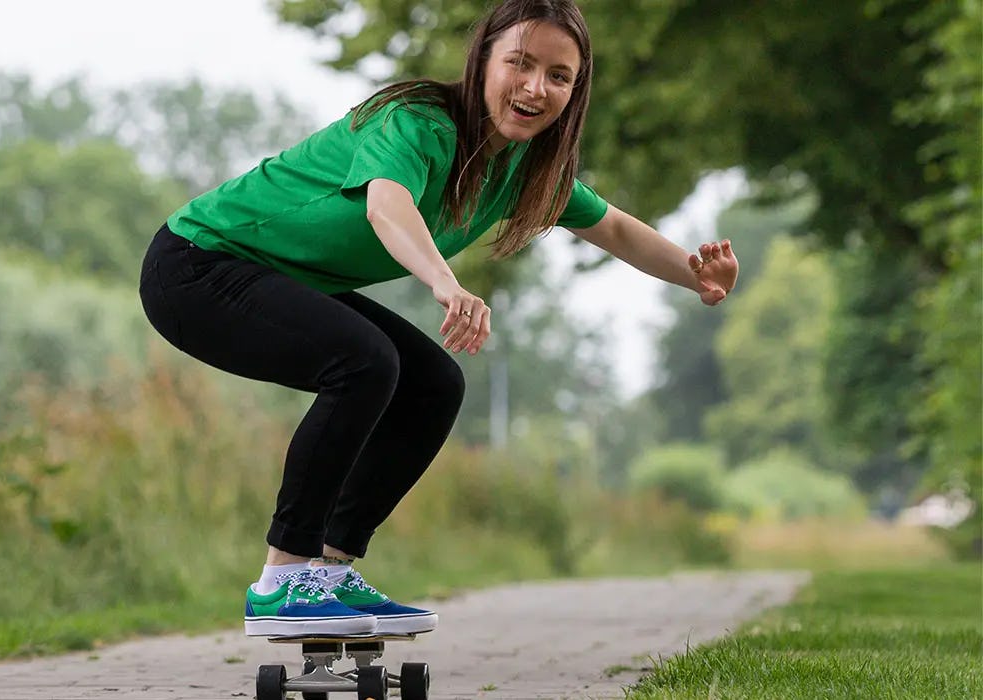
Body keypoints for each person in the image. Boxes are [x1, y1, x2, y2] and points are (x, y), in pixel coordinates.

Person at [137, 0, 739, 638]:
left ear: (575, 90)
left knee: (432, 384)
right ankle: (283, 582)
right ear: (483, 59)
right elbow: (387, 206)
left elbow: (613, 226)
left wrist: (694, 276)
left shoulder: (526, 169)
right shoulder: (415, 121)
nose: (537, 88)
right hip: (198, 264)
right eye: (521, 63)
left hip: (278, 277)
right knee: (364, 361)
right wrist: (446, 284)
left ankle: (331, 573)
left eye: (559, 76)